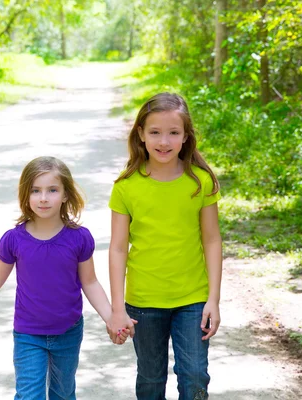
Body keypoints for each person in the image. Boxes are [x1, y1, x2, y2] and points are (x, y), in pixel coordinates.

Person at [0, 156, 129, 399]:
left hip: (68, 331)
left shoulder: (79, 238)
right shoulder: (14, 240)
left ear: (65, 195)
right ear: (26, 195)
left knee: (63, 394)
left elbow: (90, 282)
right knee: (29, 395)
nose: (43, 198)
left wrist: (112, 318)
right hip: (28, 334)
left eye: (52, 190)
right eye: (36, 190)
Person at [107, 92, 222, 400]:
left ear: (186, 137)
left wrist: (214, 299)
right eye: (155, 132)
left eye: (173, 132)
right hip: (143, 302)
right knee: (150, 378)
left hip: (193, 299)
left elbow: (212, 239)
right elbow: (117, 248)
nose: (164, 141)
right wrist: (117, 308)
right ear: (141, 135)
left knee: (195, 374)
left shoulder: (199, 181)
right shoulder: (126, 186)